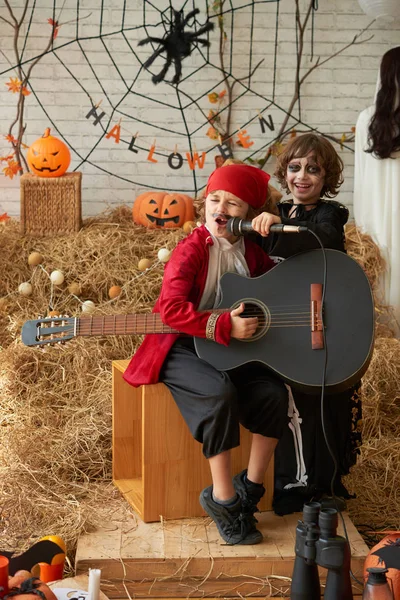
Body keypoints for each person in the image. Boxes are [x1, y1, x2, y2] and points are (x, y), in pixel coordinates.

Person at [123, 164, 288, 544]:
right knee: (218, 394)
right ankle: (223, 499)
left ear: (247, 213)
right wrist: (225, 325)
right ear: (204, 205)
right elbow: (170, 309)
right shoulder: (192, 249)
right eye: (215, 200)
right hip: (181, 344)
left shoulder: (251, 252)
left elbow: (277, 286)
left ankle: (250, 487)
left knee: (273, 396)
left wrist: (274, 224)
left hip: (231, 347)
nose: (222, 208)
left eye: (233, 203)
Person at [249, 133, 362, 515]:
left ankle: (322, 484)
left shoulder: (328, 215)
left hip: (325, 317)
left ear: (326, 177)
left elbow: (320, 239)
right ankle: (291, 481)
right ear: (285, 172)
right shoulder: (276, 211)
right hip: (289, 323)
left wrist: (277, 225)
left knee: (323, 401)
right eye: (295, 168)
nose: (303, 176)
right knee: (292, 401)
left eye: (313, 169)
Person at [354, 46, 400, 334]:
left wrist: (363, 228)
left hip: (378, 220)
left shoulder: (366, 120)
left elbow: (362, 181)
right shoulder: (368, 120)